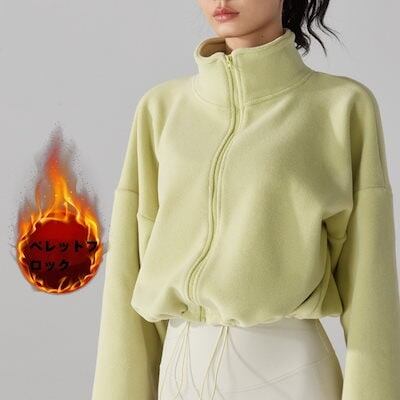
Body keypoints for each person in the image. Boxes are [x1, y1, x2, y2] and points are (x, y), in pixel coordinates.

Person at [91, 1, 400, 399]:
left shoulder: (341, 106)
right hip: (181, 376)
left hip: (290, 377)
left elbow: (371, 285)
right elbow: (127, 277)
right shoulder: (161, 109)